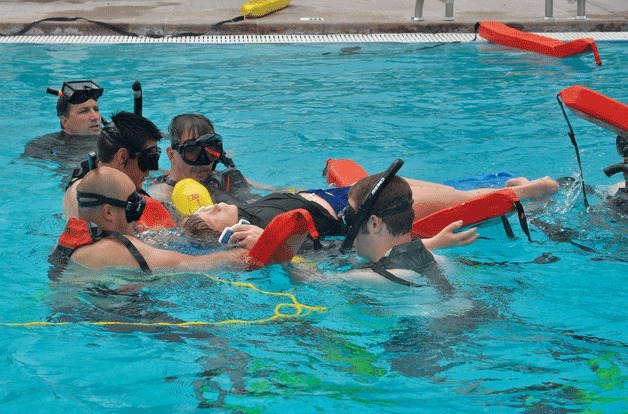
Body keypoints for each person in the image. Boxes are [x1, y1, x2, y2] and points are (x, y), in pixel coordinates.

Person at [183, 173, 558, 245]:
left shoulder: (241, 206)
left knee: (421, 184)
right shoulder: (259, 229)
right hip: (352, 211)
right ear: (223, 232)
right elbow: (289, 246)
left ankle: (497, 188)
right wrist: (265, 239)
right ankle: (525, 193)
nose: (215, 206)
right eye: (211, 214)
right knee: (413, 191)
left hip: (333, 192)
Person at [50, 166, 248, 277]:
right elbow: (190, 265)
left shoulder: (73, 236)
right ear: (108, 213)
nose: (139, 213)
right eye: (132, 205)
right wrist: (244, 252)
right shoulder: (115, 248)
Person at [63, 111, 175, 229]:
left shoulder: (127, 183)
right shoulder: (83, 195)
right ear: (123, 156)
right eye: (148, 160)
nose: (152, 168)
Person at [23, 80, 104, 172]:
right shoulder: (42, 145)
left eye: (96, 109)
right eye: (84, 111)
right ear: (65, 122)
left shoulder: (115, 137)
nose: (95, 117)